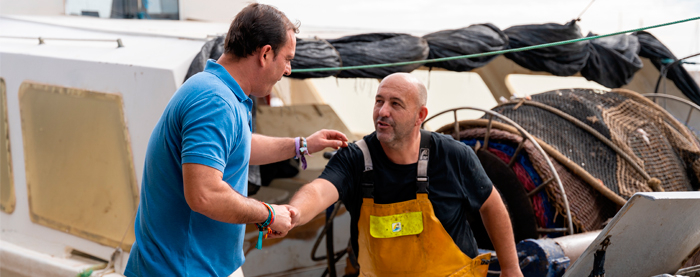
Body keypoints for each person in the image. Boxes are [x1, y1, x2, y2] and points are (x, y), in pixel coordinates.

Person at [124, 4, 348, 277]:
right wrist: (267, 213)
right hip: (181, 268)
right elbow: (204, 194)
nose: (288, 69)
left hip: (207, 265)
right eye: (287, 59)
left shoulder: (221, 91)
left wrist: (300, 145)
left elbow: (238, 146)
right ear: (265, 54)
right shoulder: (214, 102)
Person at [288, 73, 524, 277]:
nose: (383, 111)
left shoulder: (453, 156)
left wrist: (511, 268)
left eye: (396, 104)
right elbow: (318, 191)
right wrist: (293, 213)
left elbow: (492, 205)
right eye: (379, 101)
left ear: (420, 115)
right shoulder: (355, 158)